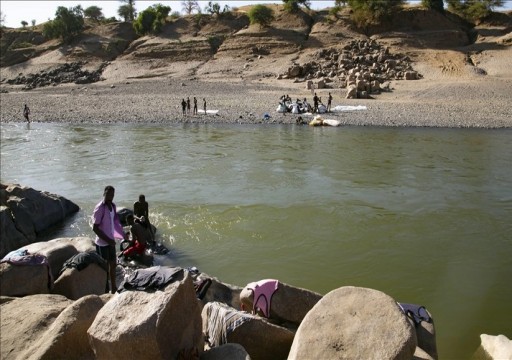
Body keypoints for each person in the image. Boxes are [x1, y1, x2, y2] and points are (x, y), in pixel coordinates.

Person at [92, 185, 127, 293]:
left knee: (113, 265)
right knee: (105, 268)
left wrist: (123, 234)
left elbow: (115, 223)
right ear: (104, 193)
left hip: (111, 241)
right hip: (102, 243)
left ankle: (114, 288)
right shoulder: (100, 208)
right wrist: (107, 240)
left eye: (112, 194)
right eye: (108, 194)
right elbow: (95, 228)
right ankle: (105, 289)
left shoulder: (113, 206)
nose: (110, 196)